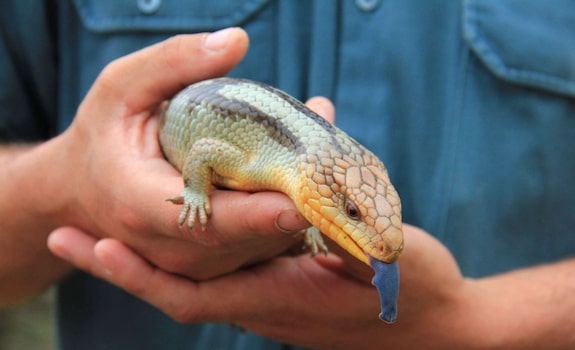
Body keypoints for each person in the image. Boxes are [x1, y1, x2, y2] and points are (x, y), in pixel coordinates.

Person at [1, 0, 574, 349]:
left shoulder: (301, 176)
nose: (383, 243)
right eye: (352, 214)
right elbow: (199, 150)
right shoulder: (265, 165)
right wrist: (67, 185)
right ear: (320, 188)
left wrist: (467, 323)